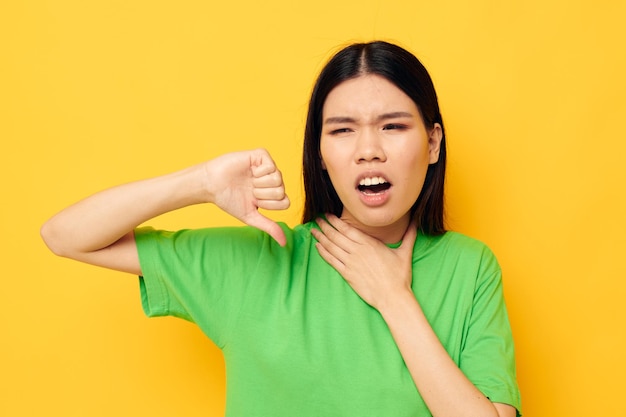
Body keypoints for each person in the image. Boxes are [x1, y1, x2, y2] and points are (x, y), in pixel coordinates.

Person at [41, 41, 521, 416]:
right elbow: (64, 235)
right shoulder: (263, 260)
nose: (368, 150)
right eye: (342, 130)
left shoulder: (469, 267)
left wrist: (394, 297)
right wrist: (201, 183)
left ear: (433, 142)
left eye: (393, 127)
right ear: (319, 153)